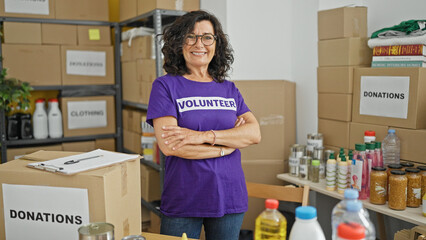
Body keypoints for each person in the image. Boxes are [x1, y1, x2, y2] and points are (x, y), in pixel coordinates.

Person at [146, 10, 261, 240]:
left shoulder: (228, 88)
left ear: (216, 44)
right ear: (180, 43)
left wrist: (199, 136)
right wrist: (225, 146)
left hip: (230, 195)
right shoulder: (165, 86)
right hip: (184, 197)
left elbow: (253, 133)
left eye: (207, 37)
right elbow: (171, 146)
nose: (200, 44)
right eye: (191, 36)